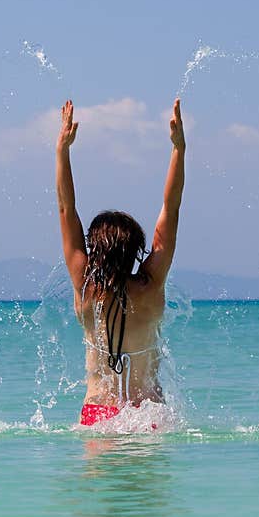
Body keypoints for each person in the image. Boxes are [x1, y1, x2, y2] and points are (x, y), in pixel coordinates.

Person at [55, 98, 186, 426]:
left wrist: (62, 150)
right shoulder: (151, 284)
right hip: (149, 416)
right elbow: (170, 210)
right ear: (136, 249)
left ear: (93, 250)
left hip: (99, 414)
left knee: (99, 480)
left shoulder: (85, 286)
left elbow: (65, 209)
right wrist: (178, 150)